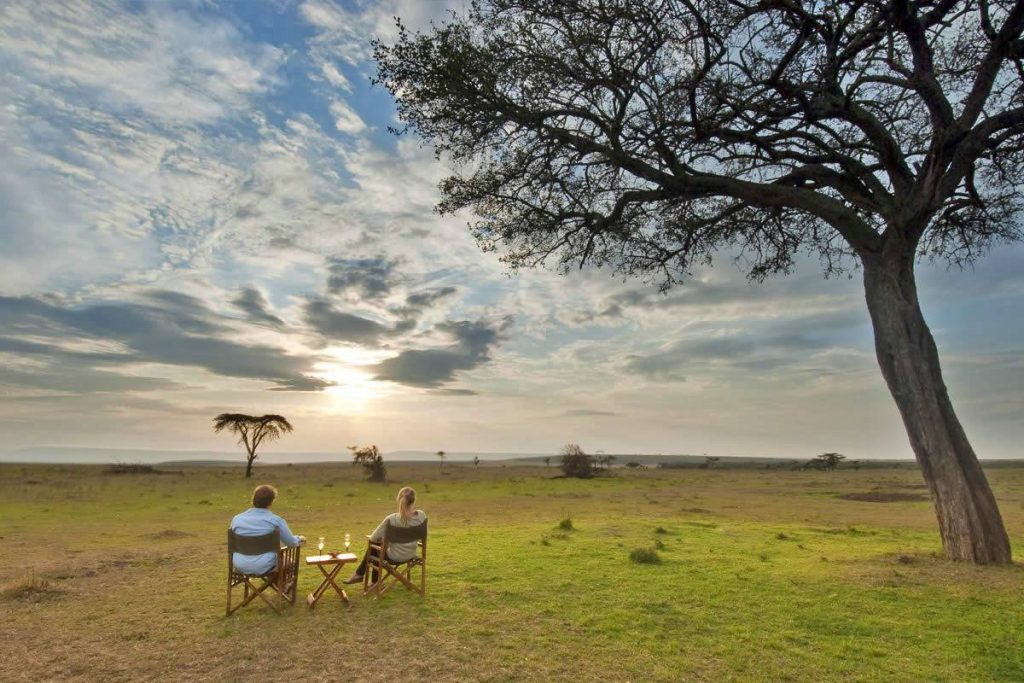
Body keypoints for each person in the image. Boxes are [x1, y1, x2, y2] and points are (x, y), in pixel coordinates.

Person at [344, 486, 426, 584]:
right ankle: (368, 579)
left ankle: (362, 575)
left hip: (393, 557)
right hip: (411, 555)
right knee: (377, 547)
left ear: (399, 499)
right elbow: (422, 536)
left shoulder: (392, 519)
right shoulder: (421, 515)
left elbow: (374, 538)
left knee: (374, 546)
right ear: (414, 500)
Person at [230, 484, 305, 575]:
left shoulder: (237, 519)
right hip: (265, 565)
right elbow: (291, 543)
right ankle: (283, 588)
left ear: (253, 499)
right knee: (288, 562)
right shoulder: (275, 521)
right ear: (271, 502)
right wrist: (299, 539)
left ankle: (262, 588)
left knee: (275, 559)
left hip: (239, 564)